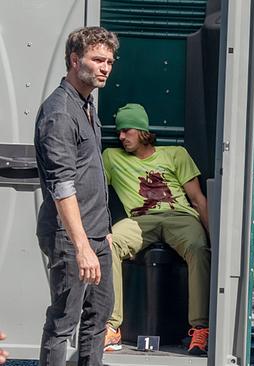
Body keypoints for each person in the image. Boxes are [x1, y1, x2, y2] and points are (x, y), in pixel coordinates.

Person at [34, 26, 118, 366]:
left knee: (98, 317)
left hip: (97, 234)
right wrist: (82, 246)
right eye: (97, 59)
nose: (105, 67)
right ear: (74, 60)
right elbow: (63, 185)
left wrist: (105, 231)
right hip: (71, 239)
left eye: (110, 61)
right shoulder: (59, 112)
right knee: (63, 321)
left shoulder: (86, 105)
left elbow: (90, 173)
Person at [102, 103, 211, 355]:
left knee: (198, 248)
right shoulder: (112, 157)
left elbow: (198, 199)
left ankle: (201, 329)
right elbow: (94, 192)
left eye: (126, 131)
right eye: (119, 132)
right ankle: (111, 325)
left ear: (142, 131)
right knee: (111, 243)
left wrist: (213, 239)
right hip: (140, 220)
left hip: (179, 216)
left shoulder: (175, 154)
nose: (120, 137)